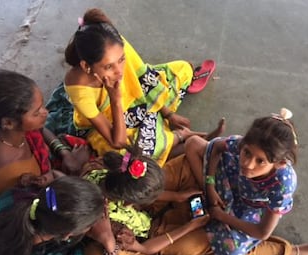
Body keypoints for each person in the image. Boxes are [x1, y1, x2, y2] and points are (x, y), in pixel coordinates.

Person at [183, 108, 308, 255]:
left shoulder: (283, 183)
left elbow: (262, 232)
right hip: (232, 181)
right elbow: (218, 147)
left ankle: (299, 251)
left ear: (280, 163)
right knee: (192, 144)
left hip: (249, 208)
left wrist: (222, 216)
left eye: (260, 161)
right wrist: (210, 186)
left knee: (229, 248)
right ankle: (205, 198)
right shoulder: (247, 145)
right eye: (246, 152)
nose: (247, 164)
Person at [63, 8, 213, 167]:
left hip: (135, 101)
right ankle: (179, 136)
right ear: (86, 66)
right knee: (126, 154)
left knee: (182, 69)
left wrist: (168, 114)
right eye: (108, 67)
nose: (119, 71)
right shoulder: (78, 88)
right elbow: (117, 141)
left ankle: (166, 134)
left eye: (121, 60)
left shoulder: (116, 44)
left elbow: (142, 80)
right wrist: (115, 99)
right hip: (106, 124)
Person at [81, 145, 212, 255]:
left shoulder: (106, 170)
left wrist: (176, 196)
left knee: (184, 172)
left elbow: (136, 187)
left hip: (140, 215)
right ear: (128, 203)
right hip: (140, 239)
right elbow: (145, 248)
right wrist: (189, 227)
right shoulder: (109, 223)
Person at [0, 68, 90, 197]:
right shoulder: (8, 173)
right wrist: (75, 172)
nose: (45, 112)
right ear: (8, 123)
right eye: (36, 112)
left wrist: (65, 153)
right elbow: (45, 202)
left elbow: (40, 129)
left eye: (41, 106)